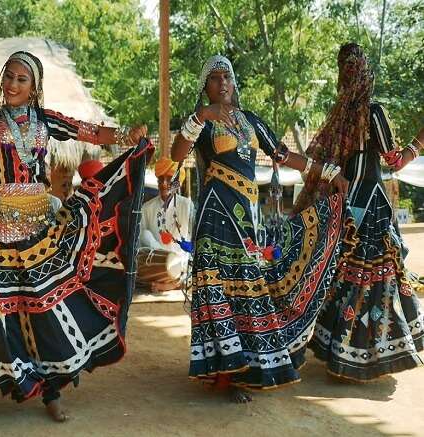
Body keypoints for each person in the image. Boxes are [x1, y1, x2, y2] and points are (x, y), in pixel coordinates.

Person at [0, 50, 150, 429]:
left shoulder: (46, 120)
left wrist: (126, 135)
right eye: (8, 77)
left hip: (40, 227)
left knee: (43, 309)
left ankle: (51, 392)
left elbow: (91, 132)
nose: (12, 85)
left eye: (21, 79)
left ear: (35, 87)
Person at [170, 55, 347, 403]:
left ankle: (245, 368)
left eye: (228, 76)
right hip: (215, 212)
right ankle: (225, 374)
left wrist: (328, 172)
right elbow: (177, 154)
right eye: (215, 77)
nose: (223, 82)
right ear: (204, 87)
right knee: (220, 288)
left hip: (246, 216)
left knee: (246, 287)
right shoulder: (202, 122)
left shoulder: (251, 121)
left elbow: (283, 155)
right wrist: (199, 117)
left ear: (234, 84)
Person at [297, 43, 424, 381]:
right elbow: (394, 162)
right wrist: (419, 142)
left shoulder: (340, 115)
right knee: (374, 279)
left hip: (344, 207)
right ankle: (361, 358)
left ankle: (334, 351)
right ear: (365, 73)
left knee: (344, 275)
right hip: (371, 206)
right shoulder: (372, 111)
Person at [137, 157, 194, 292]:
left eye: (169, 179)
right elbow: (140, 246)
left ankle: (174, 283)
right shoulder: (146, 208)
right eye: (160, 179)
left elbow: (194, 241)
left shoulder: (187, 205)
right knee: (145, 235)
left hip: (182, 267)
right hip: (155, 268)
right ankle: (170, 283)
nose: (164, 184)